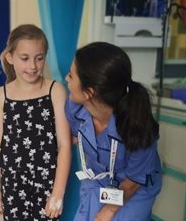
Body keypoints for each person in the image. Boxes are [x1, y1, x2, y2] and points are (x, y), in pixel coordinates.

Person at [64, 42, 161, 220]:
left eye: (71, 75)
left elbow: (133, 181)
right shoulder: (74, 109)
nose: (66, 79)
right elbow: (76, 136)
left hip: (134, 184)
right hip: (97, 180)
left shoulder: (137, 127)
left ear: (89, 92)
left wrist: (109, 210)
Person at [0, 24, 71, 220]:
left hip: (47, 186)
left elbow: (64, 145)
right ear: (10, 57)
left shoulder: (55, 91)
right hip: (12, 185)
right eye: (24, 58)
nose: (33, 66)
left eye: (39, 58)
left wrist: (57, 194)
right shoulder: (1, 95)